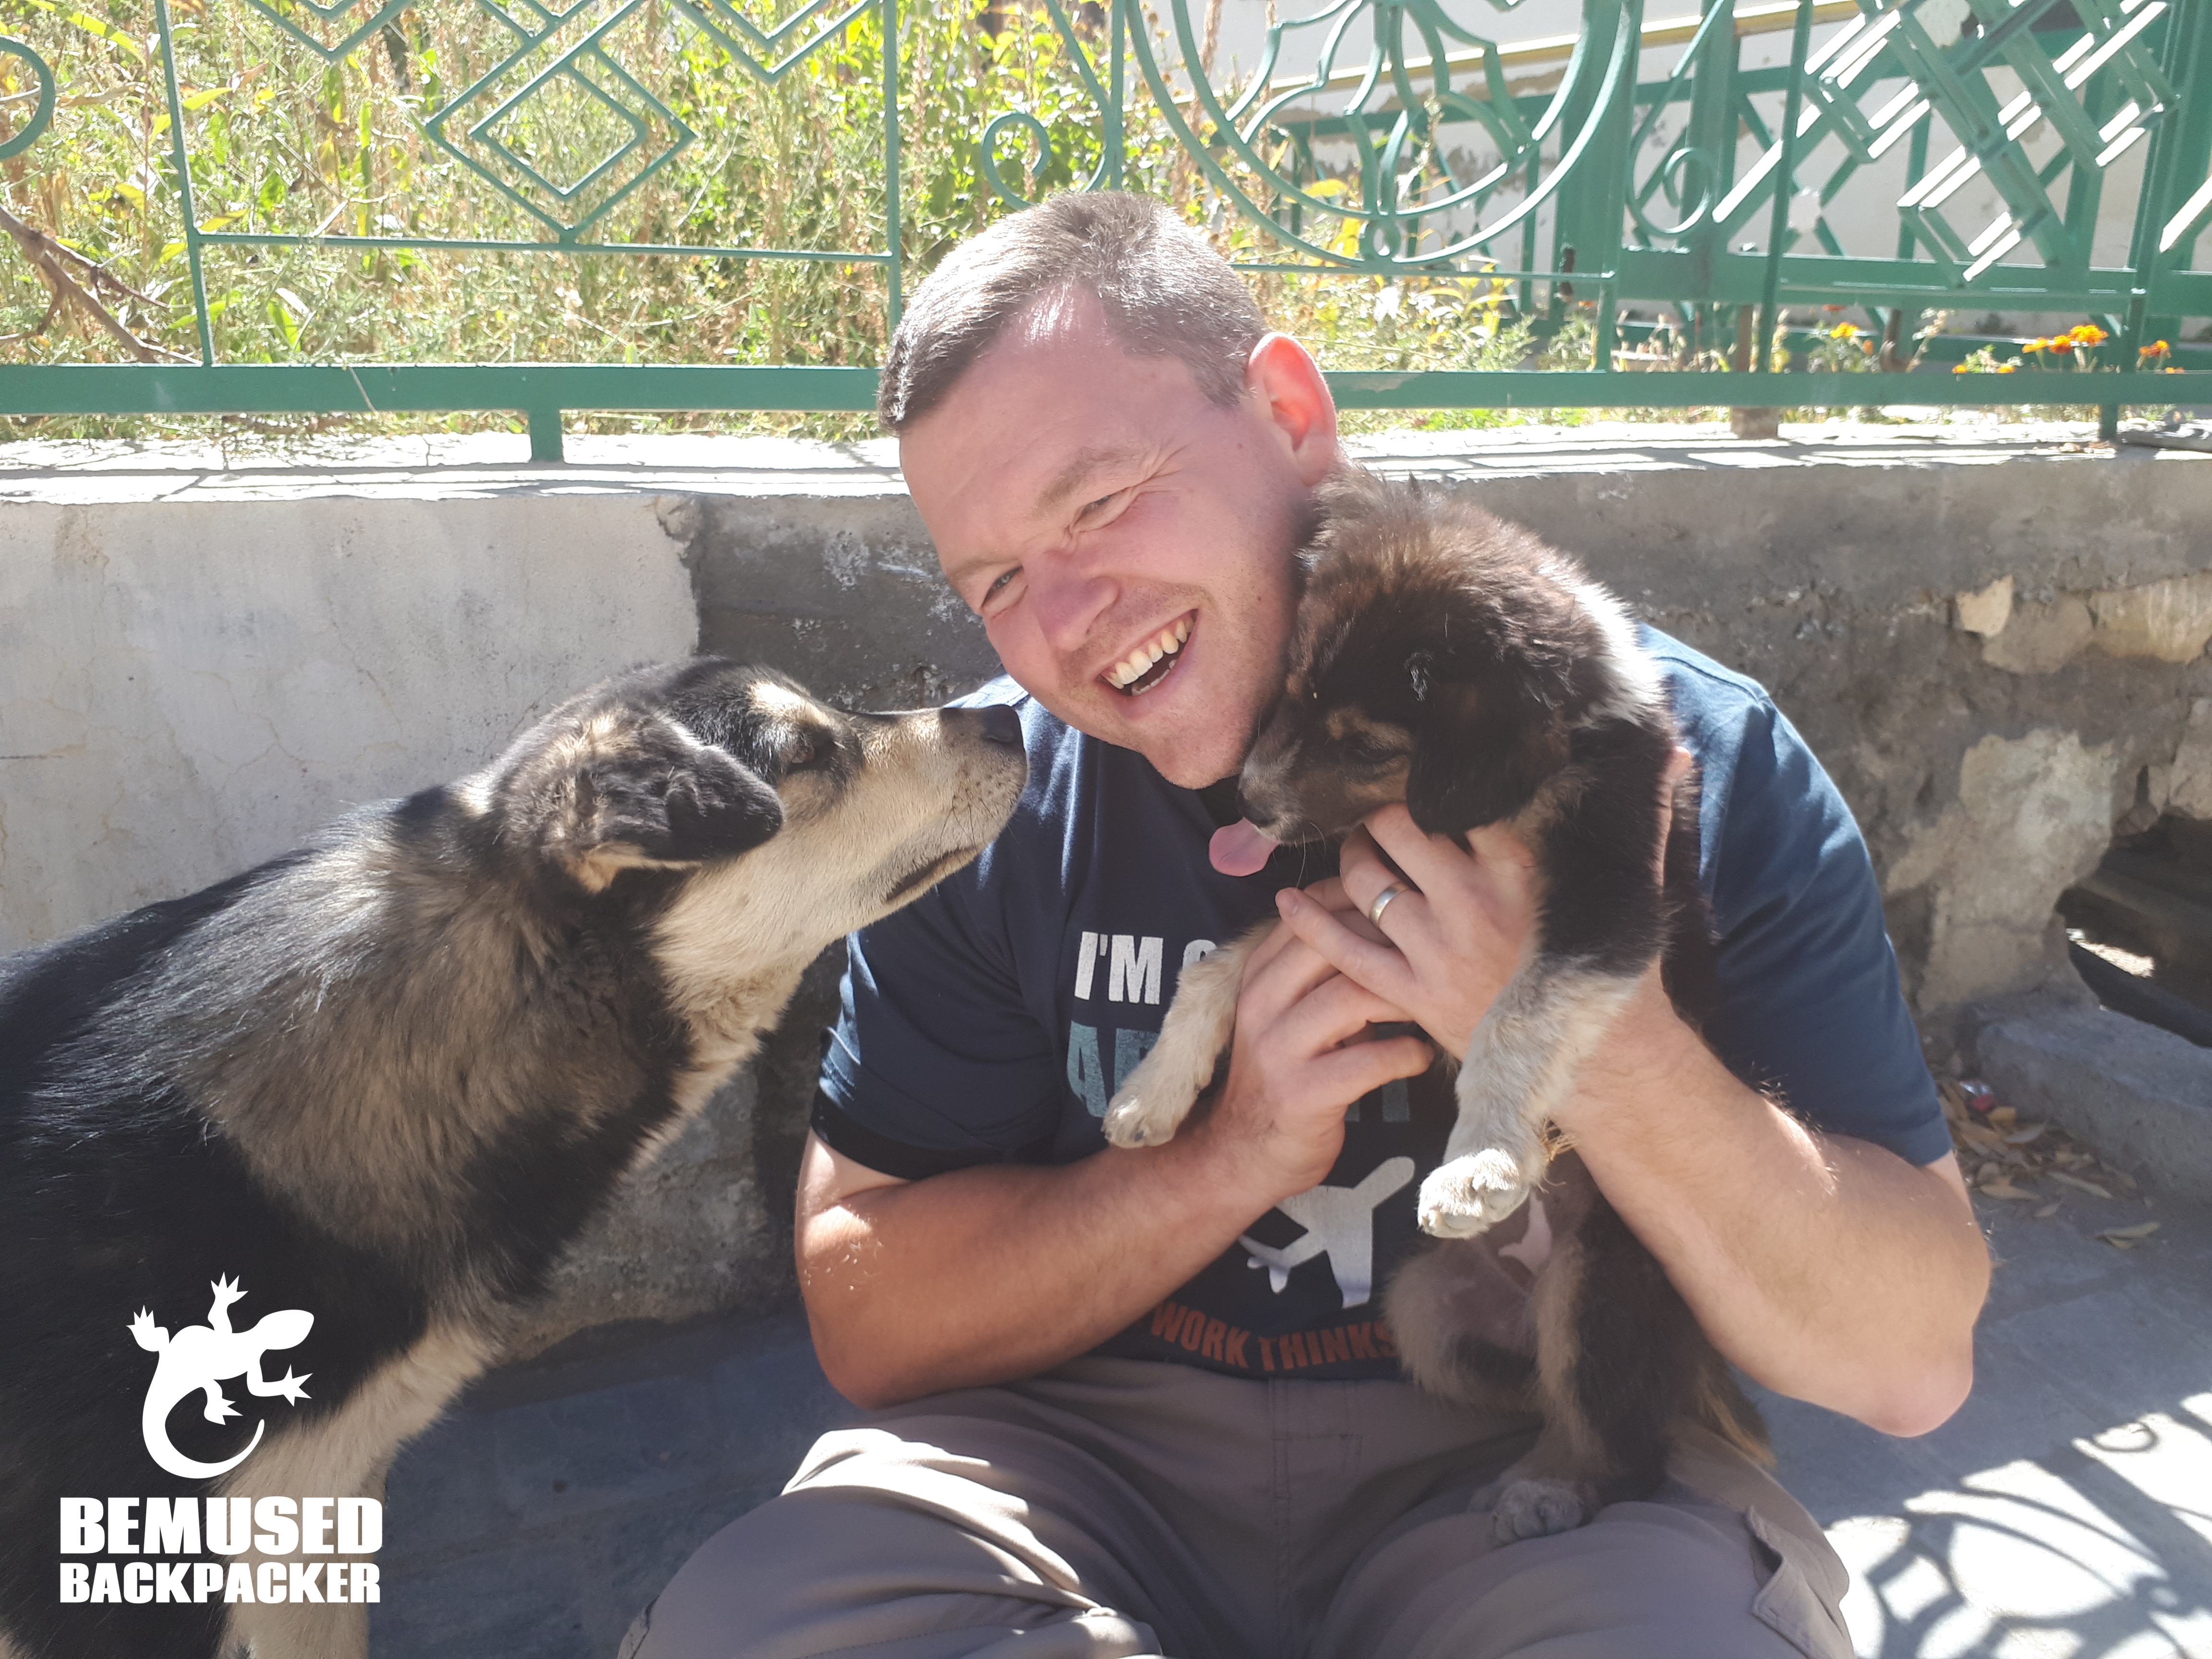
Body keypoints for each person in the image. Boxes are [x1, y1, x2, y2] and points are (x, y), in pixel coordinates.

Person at [622, 192, 1989, 1659]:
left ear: (1287, 412)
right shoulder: (984, 805)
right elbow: (868, 1314)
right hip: (1072, 1462)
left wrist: (1597, 1049)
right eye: (1001, 580)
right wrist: (1225, 1158)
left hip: (1528, 1447)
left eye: (1099, 502)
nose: (1075, 613)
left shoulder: (1671, 754)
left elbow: (1910, 1361)